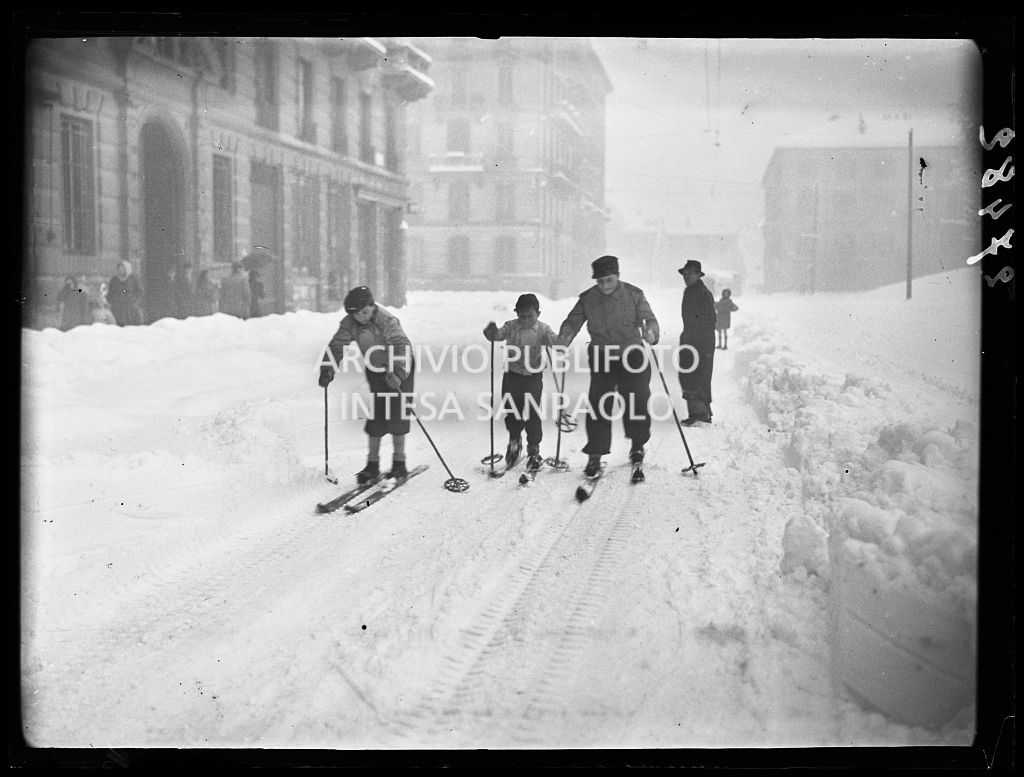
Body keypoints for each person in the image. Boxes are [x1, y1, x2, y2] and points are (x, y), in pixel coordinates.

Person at [555, 255, 660, 476]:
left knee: (637, 400)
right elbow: (573, 321)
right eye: (600, 281)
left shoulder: (634, 295)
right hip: (602, 356)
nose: (604, 285)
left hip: (632, 356)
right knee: (599, 403)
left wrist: (652, 332)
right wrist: (564, 338)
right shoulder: (588, 298)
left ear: (618, 277)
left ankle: (637, 446)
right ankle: (595, 454)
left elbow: (649, 318)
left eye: (609, 280)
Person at [318, 285, 415, 483]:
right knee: (378, 414)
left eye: (365, 312)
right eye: (356, 315)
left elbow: (401, 344)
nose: (361, 317)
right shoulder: (349, 323)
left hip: (401, 367)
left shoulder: (386, 320)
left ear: (372, 307)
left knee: (397, 413)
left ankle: (399, 463)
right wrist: (328, 367)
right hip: (376, 367)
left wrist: (397, 372)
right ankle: (372, 465)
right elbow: (338, 345)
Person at [483, 293, 557, 469]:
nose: (525, 320)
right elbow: (498, 336)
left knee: (532, 412)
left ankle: (534, 449)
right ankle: (514, 441)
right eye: (521, 316)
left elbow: (556, 340)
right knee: (512, 410)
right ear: (516, 314)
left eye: (529, 316)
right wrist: (491, 332)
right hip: (512, 375)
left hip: (533, 377)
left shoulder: (543, 329)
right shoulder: (511, 326)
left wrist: (558, 341)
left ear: (537, 314)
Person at [677, 260, 717, 425]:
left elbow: (709, 320)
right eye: (685, 274)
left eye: (690, 273)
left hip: (700, 342)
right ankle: (702, 412)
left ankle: (700, 413)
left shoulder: (700, 293)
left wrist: (695, 340)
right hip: (693, 340)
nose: (687, 277)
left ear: (698, 275)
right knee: (692, 374)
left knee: (695, 375)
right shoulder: (692, 291)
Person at [107, 260, 143, 326]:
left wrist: (134, 300)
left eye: (123, 268)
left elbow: (139, 291)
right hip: (117, 306)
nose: (121, 270)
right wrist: (111, 300)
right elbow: (110, 292)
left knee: (131, 324)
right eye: (119, 268)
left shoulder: (133, 279)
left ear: (127, 269)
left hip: (130, 305)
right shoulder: (114, 279)